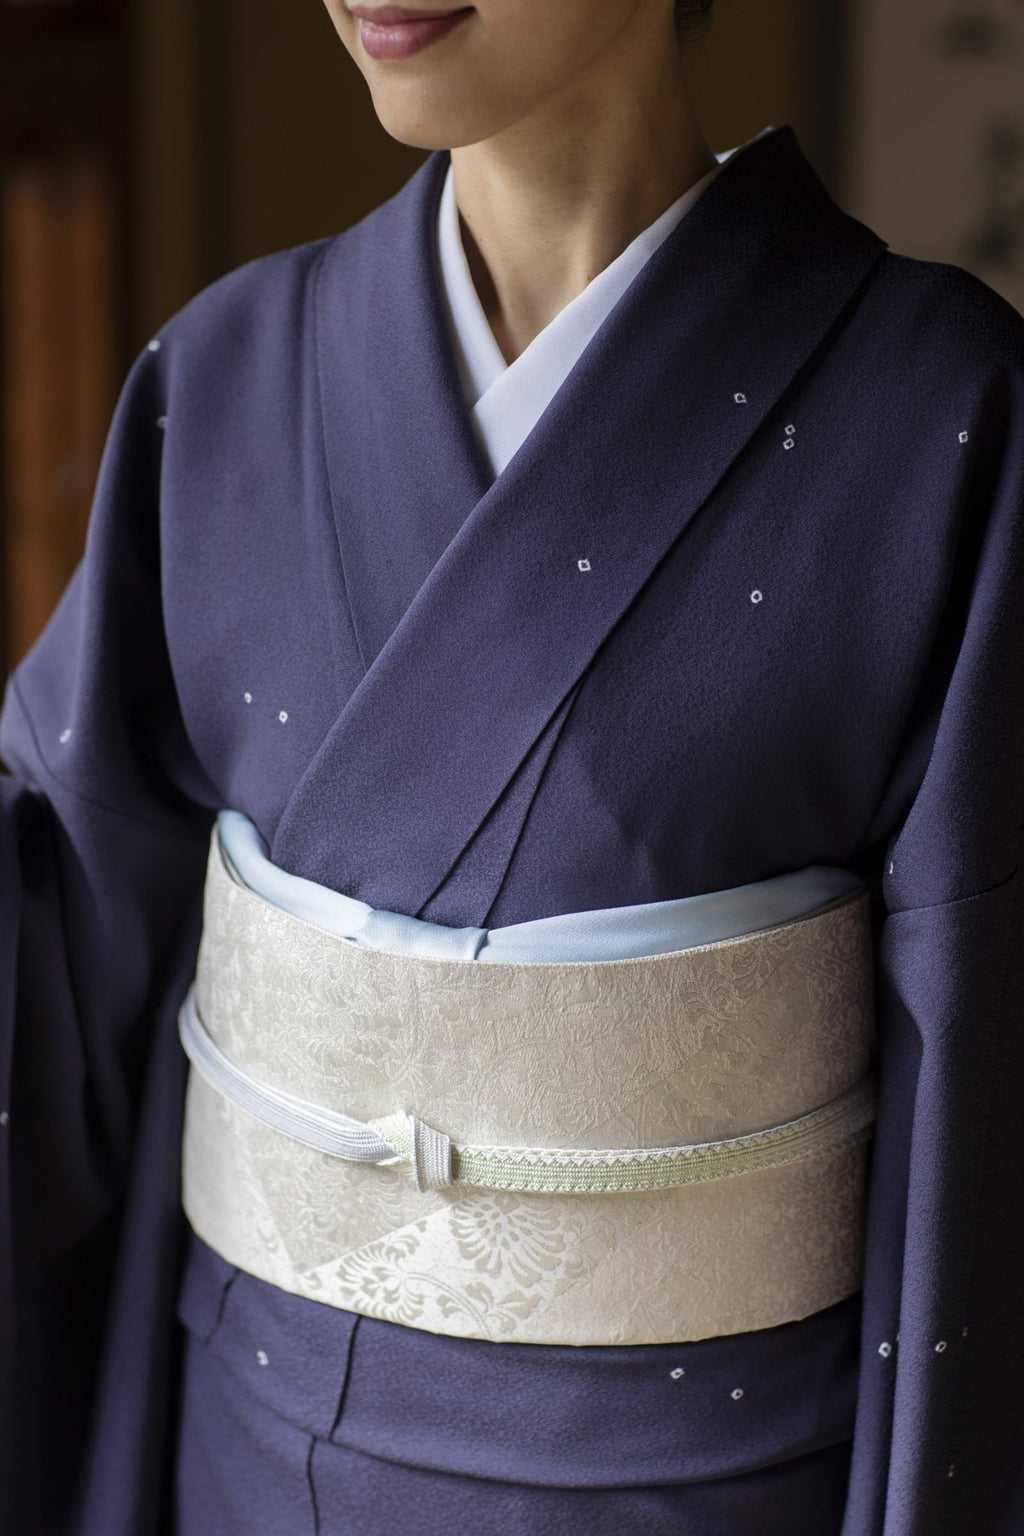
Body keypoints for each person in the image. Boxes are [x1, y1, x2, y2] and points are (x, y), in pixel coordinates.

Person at [2, 1, 1023, 1532]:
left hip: (702, 1487)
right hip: (242, 1461)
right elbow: (56, 952)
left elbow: (988, 1095)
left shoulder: (945, 415)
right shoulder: (218, 379)